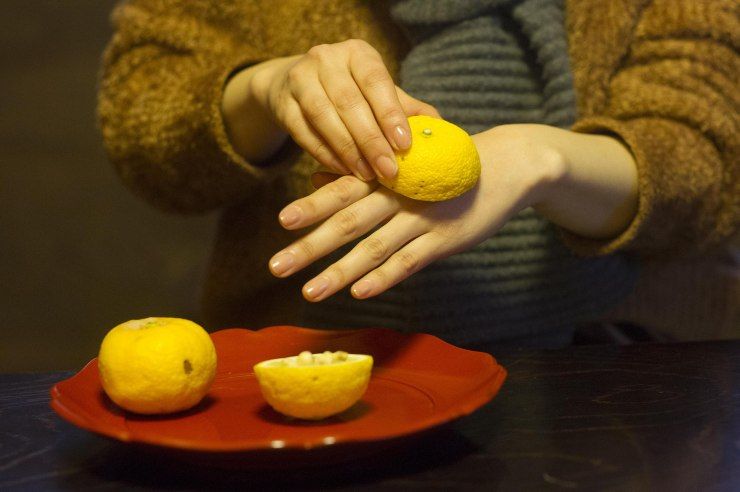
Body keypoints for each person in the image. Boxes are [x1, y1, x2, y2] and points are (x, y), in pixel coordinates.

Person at [98, 0, 738, 349]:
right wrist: (262, 90)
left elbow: (706, 159)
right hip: (302, 359)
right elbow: (146, 139)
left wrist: (547, 161)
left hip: (621, 365)